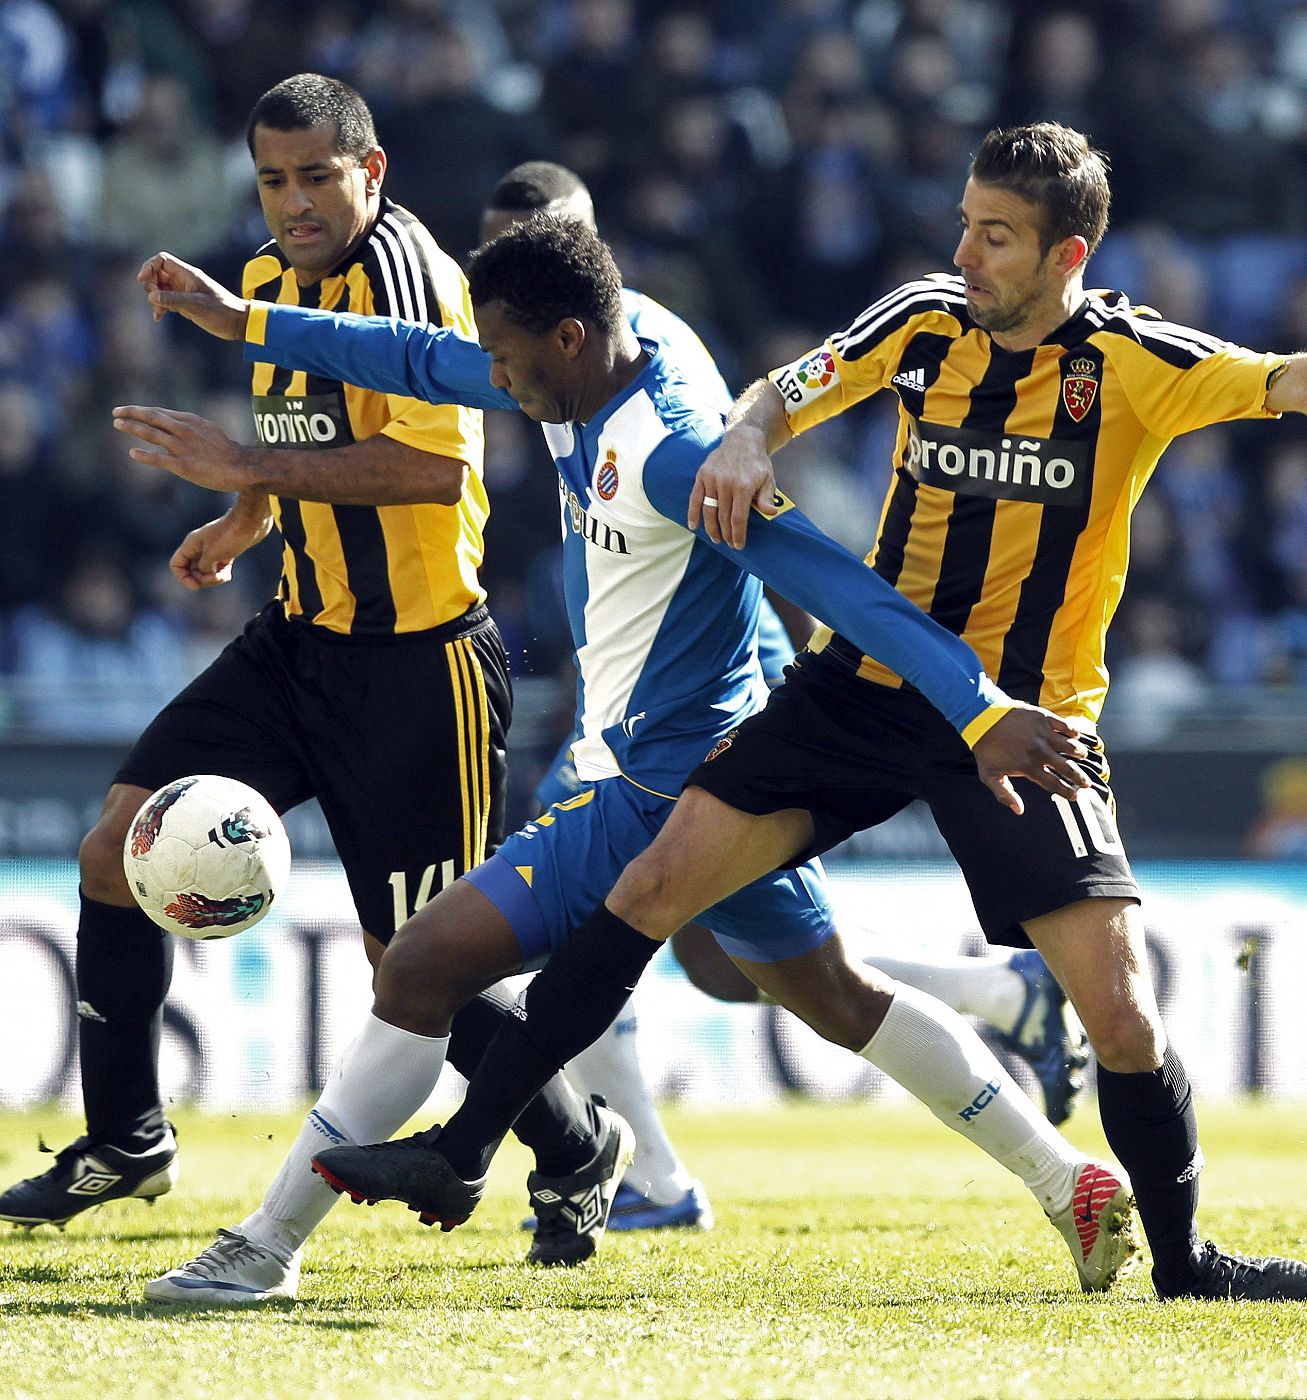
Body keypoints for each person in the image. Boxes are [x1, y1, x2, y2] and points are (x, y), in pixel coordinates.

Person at [349, 123, 1307, 1302]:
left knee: (1116, 1017)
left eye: (994, 236)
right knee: (649, 889)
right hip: (856, 686)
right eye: (961, 222)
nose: (964, 252)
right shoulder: (917, 320)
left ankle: (1185, 1261)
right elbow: (783, 389)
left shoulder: (1130, 358)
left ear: (1068, 255)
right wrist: (748, 437)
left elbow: (1280, 381)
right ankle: (463, 1149)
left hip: (1019, 716)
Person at [116, 213, 1139, 1300]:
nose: (494, 383)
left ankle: (266, 1243)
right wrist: (246, 323)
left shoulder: (671, 452)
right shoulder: (584, 363)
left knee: (418, 962)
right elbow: (418, 356)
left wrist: (979, 708)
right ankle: (1065, 1175)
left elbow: (840, 585)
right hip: (712, 781)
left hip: (655, 788)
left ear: (564, 336)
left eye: (507, 360)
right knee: (836, 997)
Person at [0, 74, 614, 1301]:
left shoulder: (405, 276)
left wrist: (235, 460)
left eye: (316, 177)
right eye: (273, 179)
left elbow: (434, 470)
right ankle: (126, 1135)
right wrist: (245, 510)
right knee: (117, 841)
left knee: (418, 966)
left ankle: (577, 1143)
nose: (292, 202)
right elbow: (298, 437)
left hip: (418, 666)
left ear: (371, 171)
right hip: (298, 636)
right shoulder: (271, 286)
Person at [486, 161, 1088, 1241]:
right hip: (627, 713)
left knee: (606, 924)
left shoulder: (652, 375)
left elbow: (759, 542)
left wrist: (847, 679)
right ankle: (1003, 1004)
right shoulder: (530, 369)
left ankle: (645, 1174)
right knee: (732, 966)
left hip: (694, 719)